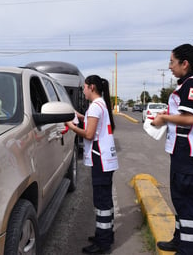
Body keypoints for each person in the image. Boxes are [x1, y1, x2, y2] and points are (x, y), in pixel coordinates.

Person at [152, 43, 193, 255]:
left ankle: (189, 249)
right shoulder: (190, 83)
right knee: (179, 197)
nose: (170, 66)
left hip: (188, 149)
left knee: (187, 199)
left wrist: (163, 118)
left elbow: (189, 118)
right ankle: (180, 241)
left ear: (185, 63)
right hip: (185, 149)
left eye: (172, 62)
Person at [66, 75, 119, 254]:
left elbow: (89, 135)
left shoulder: (95, 107)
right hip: (106, 159)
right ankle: (105, 234)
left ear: (92, 87)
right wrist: (79, 116)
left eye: (85, 87)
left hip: (101, 159)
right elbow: (92, 122)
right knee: (106, 199)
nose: (83, 91)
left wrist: (71, 126)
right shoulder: (100, 104)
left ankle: (103, 243)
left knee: (102, 201)